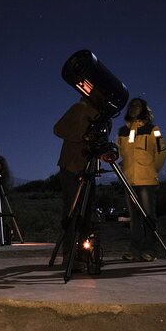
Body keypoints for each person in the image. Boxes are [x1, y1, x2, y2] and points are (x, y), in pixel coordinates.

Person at [116, 98, 166, 263]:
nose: (133, 108)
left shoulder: (154, 129)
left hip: (147, 180)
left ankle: (150, 250)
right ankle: (135, 250)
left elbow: (161, 152)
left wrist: (152, 170)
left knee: (149, 217)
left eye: (137, 105)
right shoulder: (122, 131)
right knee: (134, 218)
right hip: (129, 181)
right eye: (131, 105)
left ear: (144, 109)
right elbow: (119, 153)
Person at [54, 96, 99, 270]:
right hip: (72, 167)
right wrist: (82, 136)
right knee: (72, 213)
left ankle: (83, 253)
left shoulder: (101, 115)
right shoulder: (80, 108)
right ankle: (69, 255)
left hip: (89, 168)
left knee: (87, 214)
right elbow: (58, 129)